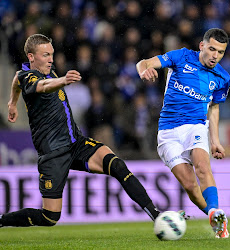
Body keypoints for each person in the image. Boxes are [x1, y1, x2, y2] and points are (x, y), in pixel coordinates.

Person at [1, 33, 160, 228]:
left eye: (51, 54)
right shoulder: (30, 77)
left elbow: (15, 79)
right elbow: (41, 86)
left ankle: (156, 215)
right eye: (45, 55)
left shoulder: (36, 72)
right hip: (53, 153)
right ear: (31, 57)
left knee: (116, 164)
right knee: (50, 217)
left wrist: (12, 103)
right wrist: (63, 81)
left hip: (76, 143)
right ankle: (2, 220)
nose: (50, 59)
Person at [136, 28, 230, 238]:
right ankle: (213, 215)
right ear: (202, 46)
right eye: (212, 49)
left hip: (195, 126)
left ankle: (216, 212)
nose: (215, 56)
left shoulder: (222, 77)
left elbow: (214, 107)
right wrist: (144, 70)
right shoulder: (181, 57)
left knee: (202, 167)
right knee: (189, 185)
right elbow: (145, 62)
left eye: (221, 52)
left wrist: (215, 140)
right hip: (167, 131)